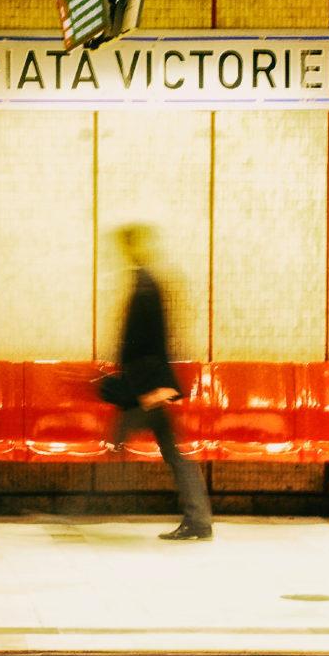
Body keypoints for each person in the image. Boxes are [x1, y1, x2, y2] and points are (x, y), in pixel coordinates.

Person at [101, 223, 213, 541]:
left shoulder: (145, 286)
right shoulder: (147, 282)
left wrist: (154, 389)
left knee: (148, 447)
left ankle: (81, 506)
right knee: (171, 451)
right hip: (147, 384)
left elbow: (151, 342)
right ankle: (198, 519)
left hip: (146, 386)